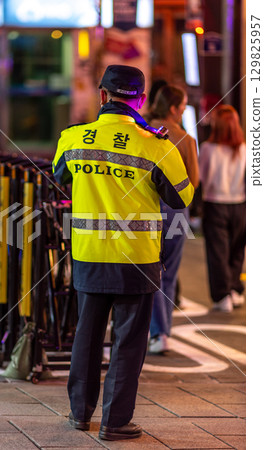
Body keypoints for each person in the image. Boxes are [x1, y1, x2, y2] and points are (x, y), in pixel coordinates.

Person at [52, 65, 194, 441]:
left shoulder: (72, 139)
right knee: (129, 343)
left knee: (87, 335)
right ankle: (115, 423)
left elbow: (60, 178)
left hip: (88, 254)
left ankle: (79, 414)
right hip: (137, 260)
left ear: (102, 95)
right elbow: (182, 197)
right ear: (141, 100)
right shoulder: (156, 145)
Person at [147, 84, 199, 354]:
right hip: (177, 211)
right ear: (175, 108)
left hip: (147, 207)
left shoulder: (142, 130)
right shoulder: (186, 139)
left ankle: (155, 331)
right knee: (169, 273)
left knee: (148, 270)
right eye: (183, 106)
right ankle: (162, 333)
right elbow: (194, 181)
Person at [199, 105, 246, 313]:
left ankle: (222, 296)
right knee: (237, 250)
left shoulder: (209, 149)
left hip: (215, 203)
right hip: (240, 204)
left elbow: (201, 178)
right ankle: (235, 290)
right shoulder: (244, 148)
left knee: (217, 252)